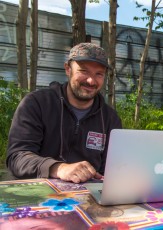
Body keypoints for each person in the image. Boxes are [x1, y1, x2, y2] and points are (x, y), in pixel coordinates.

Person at [6, 43, 122, 183]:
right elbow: (17, 157)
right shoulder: (36, 104)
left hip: (90, 197)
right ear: (68, 69)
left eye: (99, 74)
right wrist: (58, 168)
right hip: (39, 194)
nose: (91, 81)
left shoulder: (110, 118)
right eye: (83, 71)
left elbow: (113, 169)